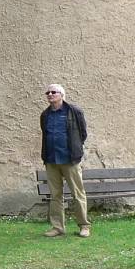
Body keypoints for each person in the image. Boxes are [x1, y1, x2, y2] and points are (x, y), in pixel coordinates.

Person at [40, 83, 90, 238]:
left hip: (70, 160)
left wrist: (75, 150)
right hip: (51, 160)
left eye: (53, 92)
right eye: (47, 92)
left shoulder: (74, 112)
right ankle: (58, 227)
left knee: (77, 193)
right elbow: (45, 134)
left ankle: (84, 226)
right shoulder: (45, 115)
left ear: (61, 95)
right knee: (55, 195)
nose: (50, 94)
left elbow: (83, 134)